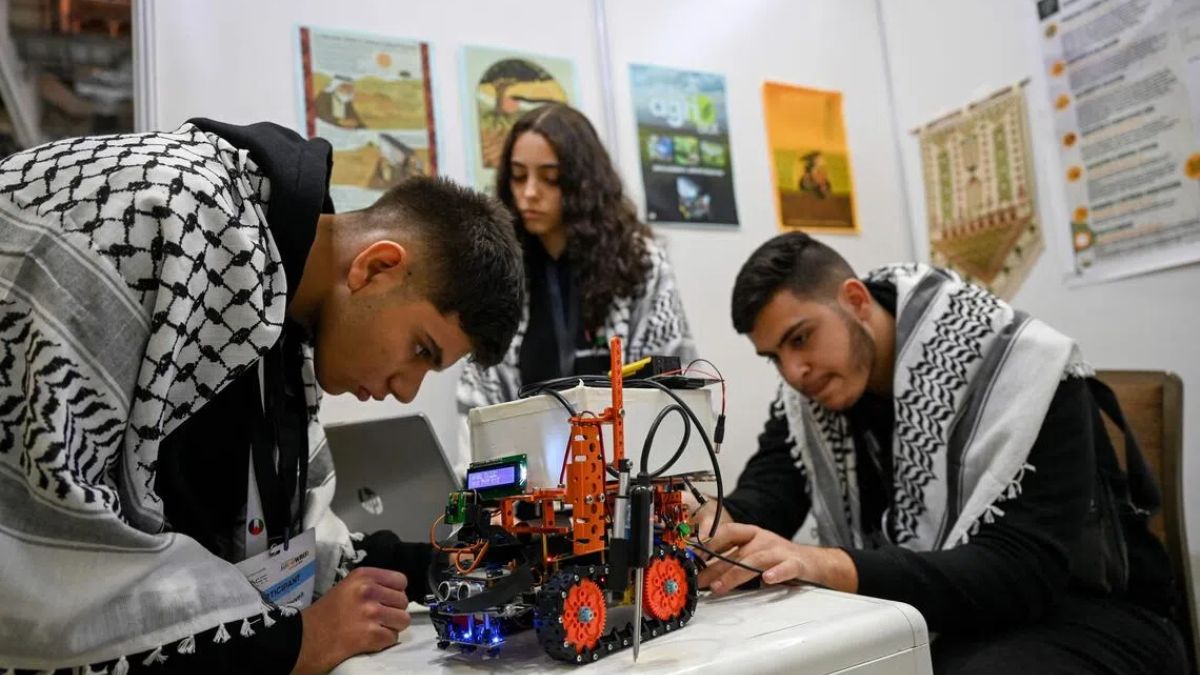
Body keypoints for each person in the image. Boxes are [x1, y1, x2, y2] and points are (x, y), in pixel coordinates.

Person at [0, 120, 524, 673]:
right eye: (420, 349)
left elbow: (262, 540)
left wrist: (439, 565)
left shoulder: (274, 295)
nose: (405, 388)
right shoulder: (169, 215)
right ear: (376, 267)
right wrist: (300, 645)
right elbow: (49, 576)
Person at [692, 232, 1187, 674]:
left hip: (1091, 613)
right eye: (774, 357)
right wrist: (716, 521)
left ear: (856, 300)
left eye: (800, 339)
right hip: (952, 615)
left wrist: (826, 564)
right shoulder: (816, 393)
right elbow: (773, 485)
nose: (794, 371)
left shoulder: (1022, 371)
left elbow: (1022, 572)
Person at [455, 103, 695, 474]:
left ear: (584, 185)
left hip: (626, 476)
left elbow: (672, 385)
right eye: (518, 176)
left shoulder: (640, 265)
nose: (529, 192)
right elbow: (477, 404)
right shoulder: (498, 272)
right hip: (532, 482)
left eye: (550, 178)